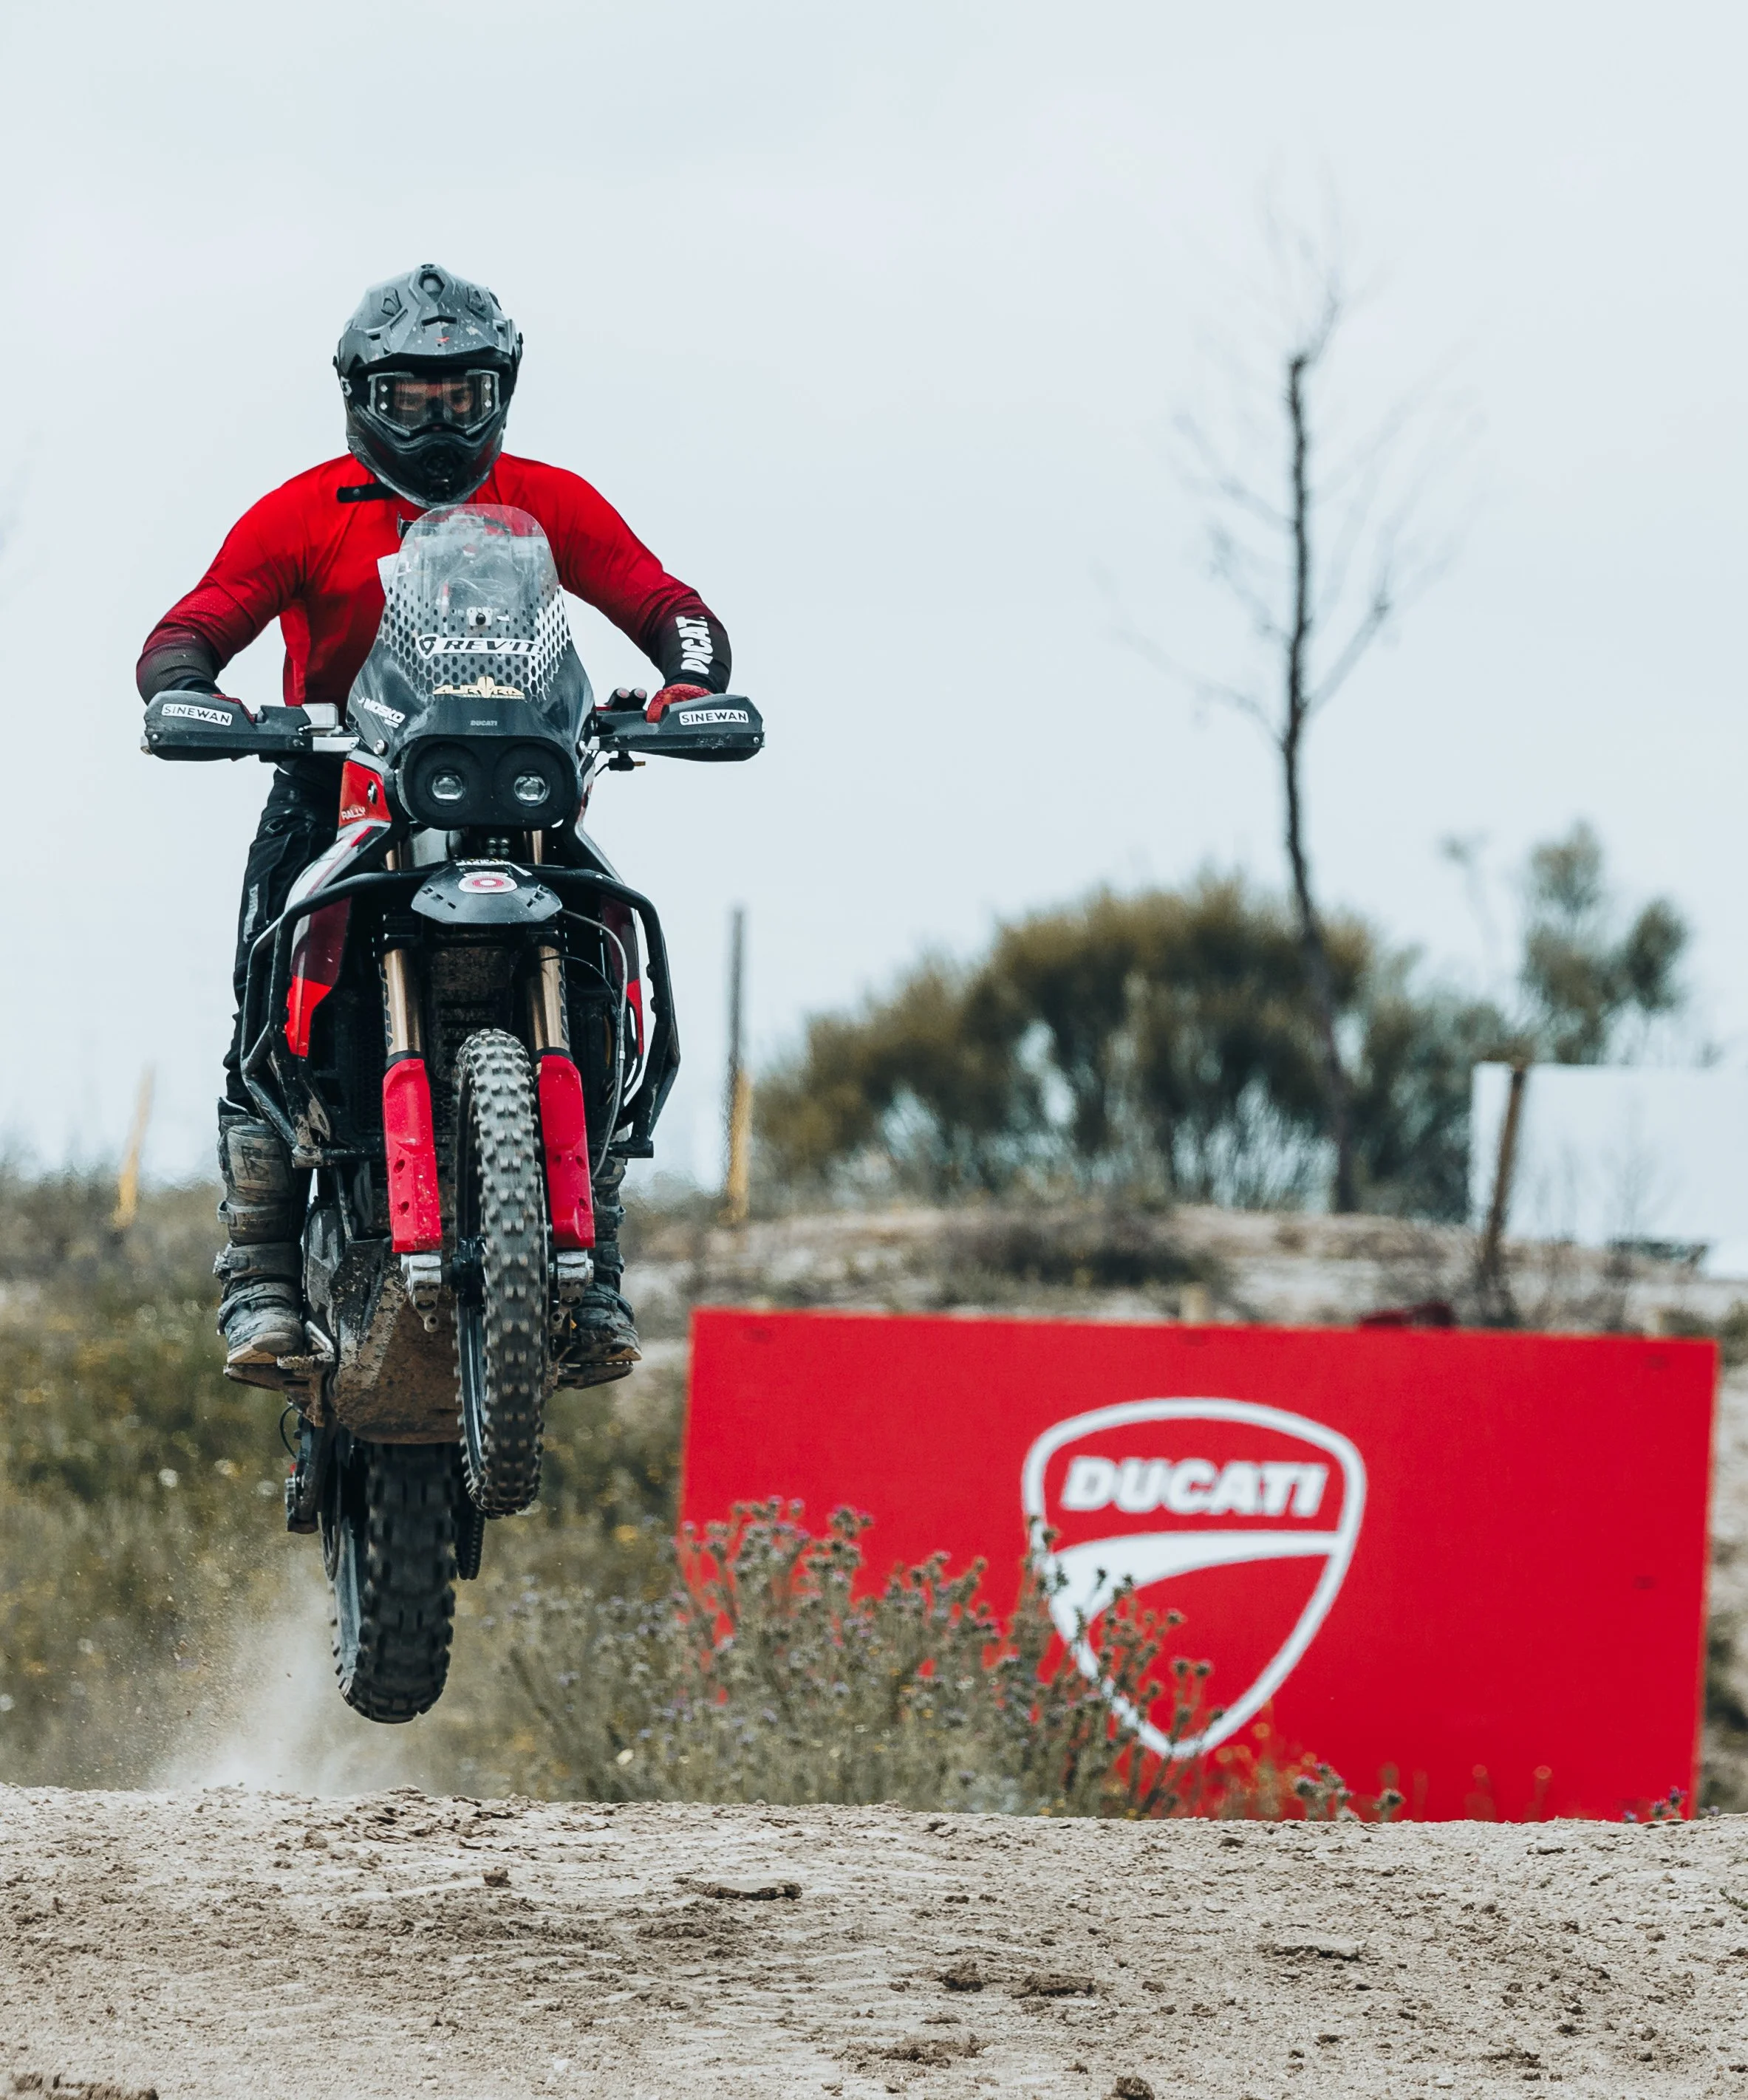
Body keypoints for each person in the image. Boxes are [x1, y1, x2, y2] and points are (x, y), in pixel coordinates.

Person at [137, 263, 731, 1382]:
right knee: (262, 1006)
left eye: (463, 396)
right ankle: (259, 1275)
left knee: (604, 961)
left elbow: (669, 608)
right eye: (411, 395)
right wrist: (196, 691)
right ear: (363, 394)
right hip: (340, 784)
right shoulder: (304, 509)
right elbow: (192, 626)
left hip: (526, 789)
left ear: (500, 391)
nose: (438, 419)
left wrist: (687, 686)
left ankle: (593, 1256)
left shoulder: (551, 500)